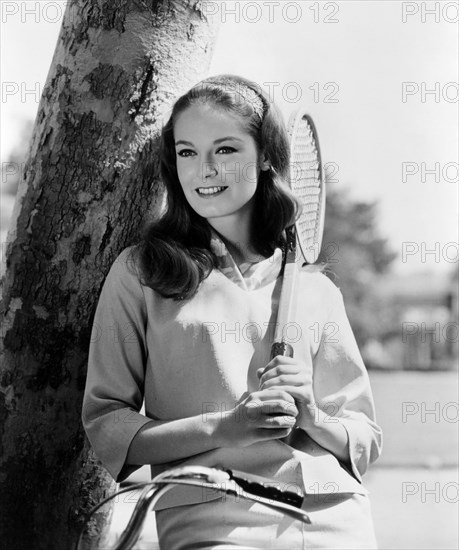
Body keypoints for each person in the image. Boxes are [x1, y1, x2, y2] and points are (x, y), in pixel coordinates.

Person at [82, 74, 383, 549]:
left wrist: (312, 418)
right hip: (215, 519)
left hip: (332, 517)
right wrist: (225, 427)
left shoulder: (314, 288)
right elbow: (108, 427)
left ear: (264, 157)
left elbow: (364, 437)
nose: (204, 169)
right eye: (187, 152)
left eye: (224, 150)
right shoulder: (141, 273)